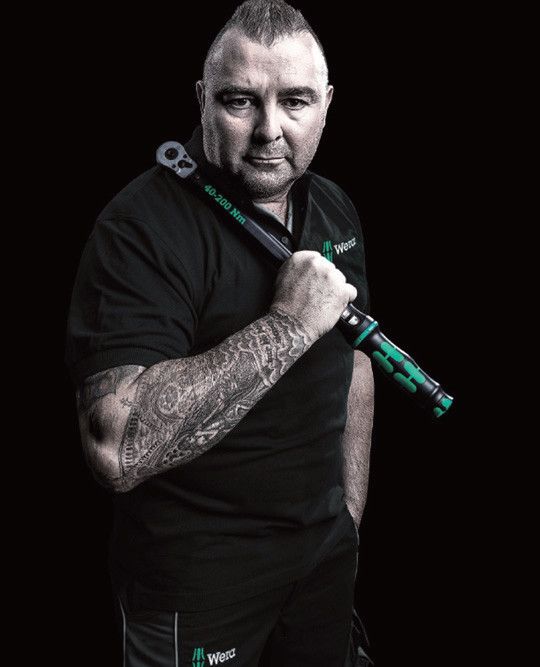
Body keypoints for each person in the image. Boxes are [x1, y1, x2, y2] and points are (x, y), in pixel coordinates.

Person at [65, 1, 374, 664]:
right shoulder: (140, 227)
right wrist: (290, 325)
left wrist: (346, 518)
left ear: (326, 105)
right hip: (199, 580)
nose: (269, 130)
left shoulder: (333, 206)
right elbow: (114, 447)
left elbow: (353, 366)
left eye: (296, 101)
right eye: (240, 101)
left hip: (322, 560)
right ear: (203, 100)